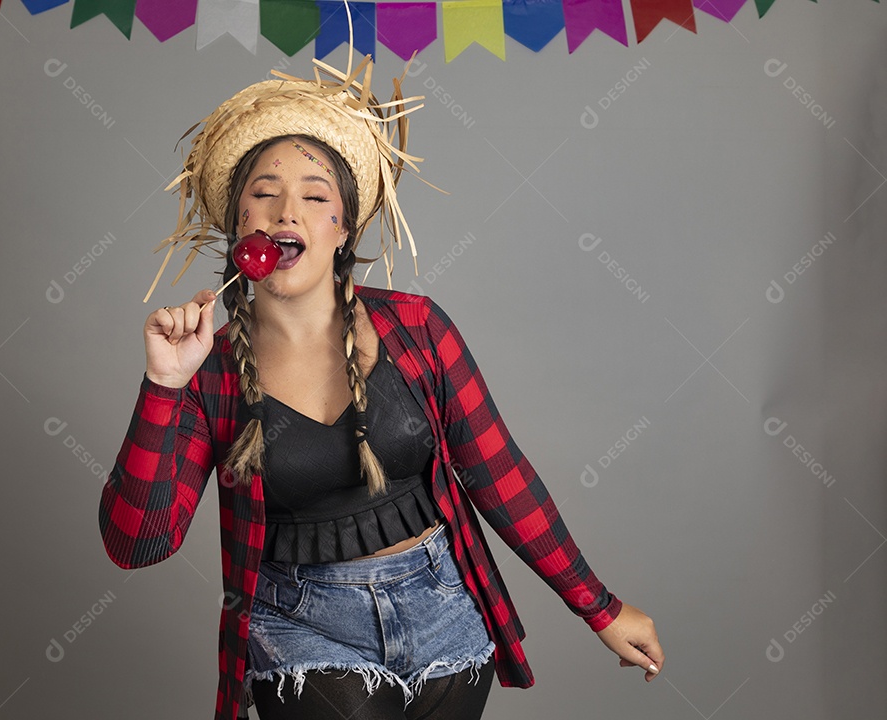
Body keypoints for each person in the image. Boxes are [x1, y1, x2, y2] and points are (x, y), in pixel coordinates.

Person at [99, 51, 663, 720]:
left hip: (446, 608)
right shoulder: (210, 373)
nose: (287, 212)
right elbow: (137, 545)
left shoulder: (417, 328)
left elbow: (499, 474)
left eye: (315, 195)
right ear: (236, 219)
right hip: (301, 628)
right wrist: (163, 387)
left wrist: (598, 608)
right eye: (264, 191)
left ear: (342, 229)